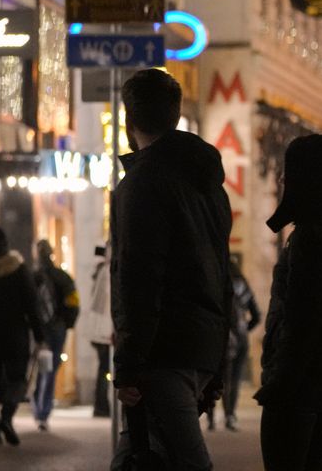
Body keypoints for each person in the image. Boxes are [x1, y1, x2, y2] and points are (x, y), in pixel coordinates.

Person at [110, 68, 233, 471]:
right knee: (139, 455)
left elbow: (138, 275)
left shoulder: (141, 184)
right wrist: (218, 361)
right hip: (201, 346)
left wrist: (127, 364)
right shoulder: (207, 184)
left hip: (164, 349)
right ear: (176, 116)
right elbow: (221, 271)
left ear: (129, 120)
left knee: (185, 460)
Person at [256, 133, 322, 470]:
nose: (284, 179)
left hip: (304, 379)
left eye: (291, 172)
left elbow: (303, 320)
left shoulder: (308, 239)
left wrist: (279, 384)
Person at [0, 227, 44, 446]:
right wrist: (39, 332)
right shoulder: (16, 267)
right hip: (15, 334)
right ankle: (6, 416)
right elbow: (31, 303)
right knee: (17, 379)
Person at [32, 237, 79, 431]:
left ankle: (39, 408)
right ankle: (43, 411)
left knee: (43, 368)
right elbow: (74, 303)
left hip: (41, 330)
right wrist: (67, 323)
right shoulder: (62, 276)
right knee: (50, 370)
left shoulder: (33, 277)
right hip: (57, 328)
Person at [218, 257, 261, 431]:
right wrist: (244, 328)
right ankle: (231, 415)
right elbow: (256, 315)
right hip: (241, 336)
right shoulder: (243, 285)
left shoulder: (220, 284)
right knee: (235, 379)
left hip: (223, 338)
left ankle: (215, 415)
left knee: (222, 378)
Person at [86, 244, 114, 418]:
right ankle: (101, 406)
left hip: (101, 329)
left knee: (103, 368)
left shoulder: (101, 271)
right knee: (105, 369)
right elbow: (102, 305)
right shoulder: (105, 271)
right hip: (104, 330)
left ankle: (101, 405)